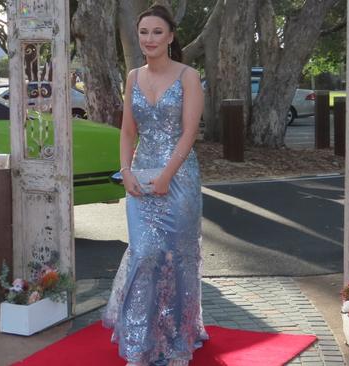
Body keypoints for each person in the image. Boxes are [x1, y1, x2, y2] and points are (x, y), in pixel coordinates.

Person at [102, 5, 206, 366]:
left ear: (171, 36)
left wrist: (166, 176)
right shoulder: (132, 76)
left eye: (156, 32)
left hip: (179, 180)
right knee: (144, 255)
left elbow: (190, 133)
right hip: (141, 178)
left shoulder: (188, 76)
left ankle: (180, 337)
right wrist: (125, 170)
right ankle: (139, 342)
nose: (149, 39)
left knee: (177, 258)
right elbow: (128, 130)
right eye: (143, 32)